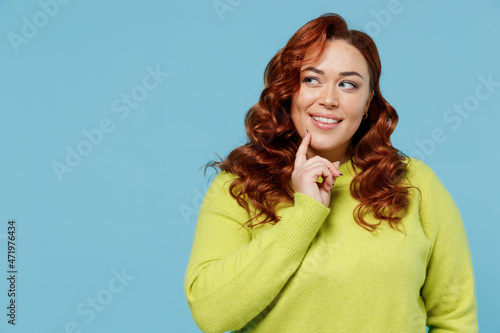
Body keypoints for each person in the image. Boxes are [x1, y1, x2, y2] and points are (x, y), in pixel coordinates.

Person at [184, 13, 478, 332]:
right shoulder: (240, 185)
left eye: (348, 84)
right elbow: (211, 313)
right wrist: (305, 213)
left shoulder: (415, 183)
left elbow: (454, 317)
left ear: (368, 103)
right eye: (312, 79)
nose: (328, 99)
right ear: (290, 91)